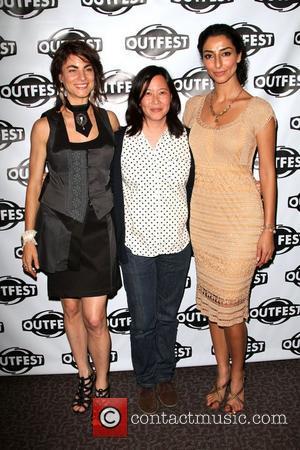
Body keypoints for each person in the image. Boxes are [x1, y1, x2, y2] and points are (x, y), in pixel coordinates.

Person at [22, 40, 121, 413]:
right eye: (72, 70)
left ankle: (102, 382)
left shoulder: (109, 120)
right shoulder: (44, 125)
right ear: (60, 78)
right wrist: (29, 238)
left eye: (87, 68)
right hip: (59, 230)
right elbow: (33, 185)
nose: (81, 77)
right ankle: (83, 375)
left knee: (96, 317)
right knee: (72, 313)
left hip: (99, 230)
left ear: (96, 74)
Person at [183, 24, 276, 414]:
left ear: (238, 56)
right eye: (208, 54)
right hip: (202, 218)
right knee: (213, 305)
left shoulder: (259, 110)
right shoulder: (192, 106)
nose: (216, 62)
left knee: (233, 308)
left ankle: (238, 380)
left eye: (224, 53)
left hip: (240, 221)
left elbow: (268, 172)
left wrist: (268, 228)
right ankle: (220, 373)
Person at [111, 65, 194, 414]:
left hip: (177, 244)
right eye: (148, 93)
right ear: (138, 99)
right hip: (136, 247)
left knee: (167, 317)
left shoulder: (188, 137)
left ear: (172, 97)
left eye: (162, 92)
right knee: (143, 321)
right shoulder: (121, 140)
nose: (156, 100)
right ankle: (145, 381)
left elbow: (203, 184)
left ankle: (165, 376)